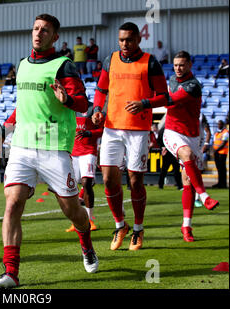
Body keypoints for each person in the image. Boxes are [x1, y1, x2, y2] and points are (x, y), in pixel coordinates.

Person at [0, 14, 98, 289]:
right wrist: (4, 130)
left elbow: (84, 104)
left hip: (54, 148)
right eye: (36, 28)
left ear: (55, 37)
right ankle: (11, 273)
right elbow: (23, 106)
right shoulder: (23, 65)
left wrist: (67, 99)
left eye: (45, 30)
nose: (39, 33)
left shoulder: (64, 66)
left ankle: (86, 242)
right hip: (23, 146)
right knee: (13, 203)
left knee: (71, 210)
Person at [92, 22, 170, 251]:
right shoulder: (111, 59)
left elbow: (164, 97)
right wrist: (97, 110)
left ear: (138, 40)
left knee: (135, 181)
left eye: (129, 40)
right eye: (121, 40)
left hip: (138, 129)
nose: (125, 44)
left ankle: (138, 228)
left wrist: (145, 103)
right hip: (112, 127)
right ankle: (120, 225)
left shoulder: (150, 62)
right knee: (107, 179)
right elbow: (100, 90)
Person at [163, 50, 220, 242]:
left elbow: (171, 102)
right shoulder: (171, 80)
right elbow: (169, 104)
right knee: (186, 155)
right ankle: (204, 197)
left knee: (188, 183)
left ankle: (186, 226)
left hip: (193, 136)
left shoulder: (193, 85)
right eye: (176, 65)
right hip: (172, 132)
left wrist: (147, 103)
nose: (178, 68)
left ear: (189, 65)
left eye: (181, 65)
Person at [65, 104, 104, 233]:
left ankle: (89, 219)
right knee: (73, 187)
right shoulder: (69, 108)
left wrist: (88, 133)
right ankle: (76, 221)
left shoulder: (94, 110)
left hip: (88, 152)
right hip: (73, 152)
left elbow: (102, 130)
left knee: (86, 183)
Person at [212, 120, 228, 188]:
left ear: (223, 125)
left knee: (222, 168)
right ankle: (219, 183)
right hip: (217, 153)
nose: (219, 125)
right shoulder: (217, 133)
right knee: (219, 168)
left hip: (222, 153)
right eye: (218, 124)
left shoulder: (226, 132)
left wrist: (216, 150)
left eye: (220, 124)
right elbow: (214, 142)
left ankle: (223, 184)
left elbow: (224, 143)